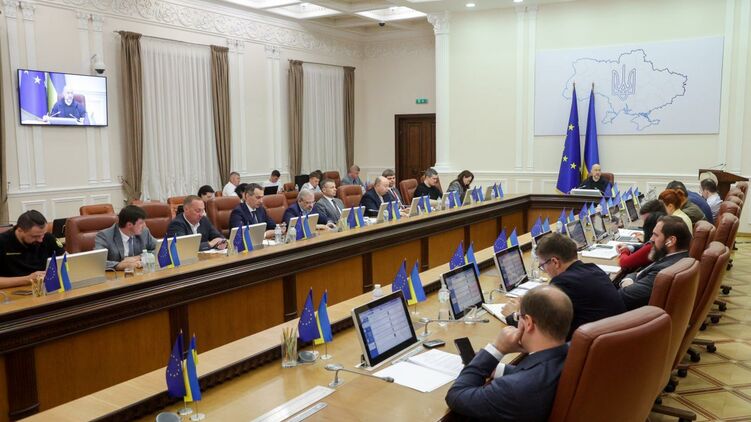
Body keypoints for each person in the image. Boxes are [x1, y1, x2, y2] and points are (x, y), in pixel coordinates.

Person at [445, 285, 573, 421]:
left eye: (518, 317)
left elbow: (456, 396)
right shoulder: (572, 352)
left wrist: (497, 349)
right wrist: (496, 368)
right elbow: (536, 372)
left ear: (528, 323)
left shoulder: (514, 388)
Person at [503, 233, 625, 339]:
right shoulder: (593, 268)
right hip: (614, 341)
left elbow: (542, 330)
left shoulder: (563, 283)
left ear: (555, 262)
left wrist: (513, 316)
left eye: (543, 266)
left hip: (590, 350)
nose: (545, 271)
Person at [618, 215, 691, 310]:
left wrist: (628, 278)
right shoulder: (682, 256)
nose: (651, 239)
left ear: (671, 241)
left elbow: (623, 295)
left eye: (656, 235)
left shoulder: (663, 271)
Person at [0, 210, 65, 288]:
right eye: (35, 236)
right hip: (12, 290)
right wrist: (28, 279)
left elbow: (66, 260)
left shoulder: (48, 238)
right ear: (20, 230)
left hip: (44, 288)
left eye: (43, 234)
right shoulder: (2, 242)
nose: (40, 240)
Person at [94, 205, 157, 270]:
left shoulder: (144, 232)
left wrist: (139, 257)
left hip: (139, 273)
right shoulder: (104, 236)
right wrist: (121, 265)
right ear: (129, 225)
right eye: (141, 223)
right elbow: (97, 261)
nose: (144, 226)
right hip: (116, 275)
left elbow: (159, 250)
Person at [616, 200, 667, 273]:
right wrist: (629, 247)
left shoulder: (655, 244)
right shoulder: (667, 232)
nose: (644, 226)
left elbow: (625, 262)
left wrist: (624, 251)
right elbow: (644, 247)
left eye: (646, 222)